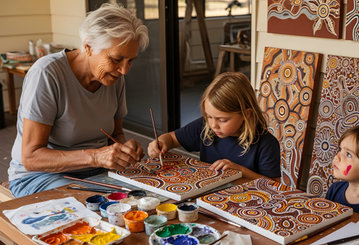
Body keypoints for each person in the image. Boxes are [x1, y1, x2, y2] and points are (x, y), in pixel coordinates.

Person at [8, 3, 149, 197]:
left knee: (147, 200)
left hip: (95, 172)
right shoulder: (47, 74)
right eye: (117, 59)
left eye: (131, 60)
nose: (124, 70)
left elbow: (115, 134)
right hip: (41, 175)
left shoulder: (115, 78)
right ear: (88, 47)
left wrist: (123, 150)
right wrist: (96, 156)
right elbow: (31, 158)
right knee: (97, 208)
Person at [148, 72, 281, 180]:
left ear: (246, 114)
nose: (213, 125)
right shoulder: (204, 127)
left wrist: (241, 171)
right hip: (209, 199)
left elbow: (274, 186)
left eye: (222, 120)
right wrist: (160, 142)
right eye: (209, 116)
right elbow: (171, 139)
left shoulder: (266, 144)